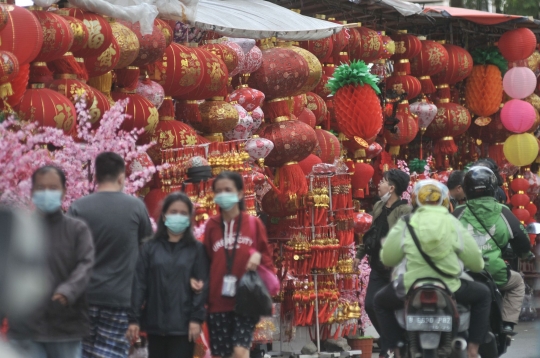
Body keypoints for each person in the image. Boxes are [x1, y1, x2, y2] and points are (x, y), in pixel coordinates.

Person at [374, 180, 489, 358]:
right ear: (444, 201)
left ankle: (395, 349)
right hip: (450, 286)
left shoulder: (406, 223)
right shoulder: (453, 223)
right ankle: (473, 349)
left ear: (414, 200)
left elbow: (388, 258)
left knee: (380, 301)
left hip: (411, 286)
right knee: (484, 294)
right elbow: (476, 264)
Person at [68, 152, 153, 358]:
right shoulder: (136, 207)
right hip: (121, 299)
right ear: (122, 177)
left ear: (95, 177)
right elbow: (148, 253)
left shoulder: (78, 208)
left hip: (83, 298)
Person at [9, 166, 94, 358]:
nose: (47, 193)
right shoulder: (18, 229)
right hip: (25, 329)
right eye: (41, 187)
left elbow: (86, 264)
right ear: (31, 192)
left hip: (65, 328)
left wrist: (69, 290)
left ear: (64, 191)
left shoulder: (77, 230)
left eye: (53, 188)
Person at [127, 192, 209, 358]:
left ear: (189, 218)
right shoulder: (150, 248)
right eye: (173, 212)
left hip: (184, 326)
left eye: (183, 213)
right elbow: (139, 284)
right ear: (164, 216)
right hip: (155, 323)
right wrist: (134, 319)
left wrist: (196, 318)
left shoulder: (196, 250)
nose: (178, 216)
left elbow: (203, 285)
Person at [453, 166, 533, 335]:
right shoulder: (503, 211)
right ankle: (508, 323)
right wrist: (526, 255)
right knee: (517, 283)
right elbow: (520, 238)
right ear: (493, 188)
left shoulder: (459, 212)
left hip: (462, 273)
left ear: (466, 188)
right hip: (494, 272)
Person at [203, 171, 274, 358]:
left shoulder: (253, 224)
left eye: (228, 190)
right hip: (217, 302)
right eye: (219, 191)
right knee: (224, 354)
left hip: (245, 300)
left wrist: (258, 258)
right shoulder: (211, 226)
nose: (223, 195)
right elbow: (206, 260)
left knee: (241, 352)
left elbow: (267, 258)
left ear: (240, 193)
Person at [355, 169, 412, 358]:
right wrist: (359, 255)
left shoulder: (405, 210)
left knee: (396, 306)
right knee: (371, 304)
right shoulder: (379, 205)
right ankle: (392, 339)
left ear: (392, 187)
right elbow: (371, 234)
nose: (378, 184)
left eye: (383, 181)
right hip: (378, 267)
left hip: (396, 270)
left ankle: (395, 344)